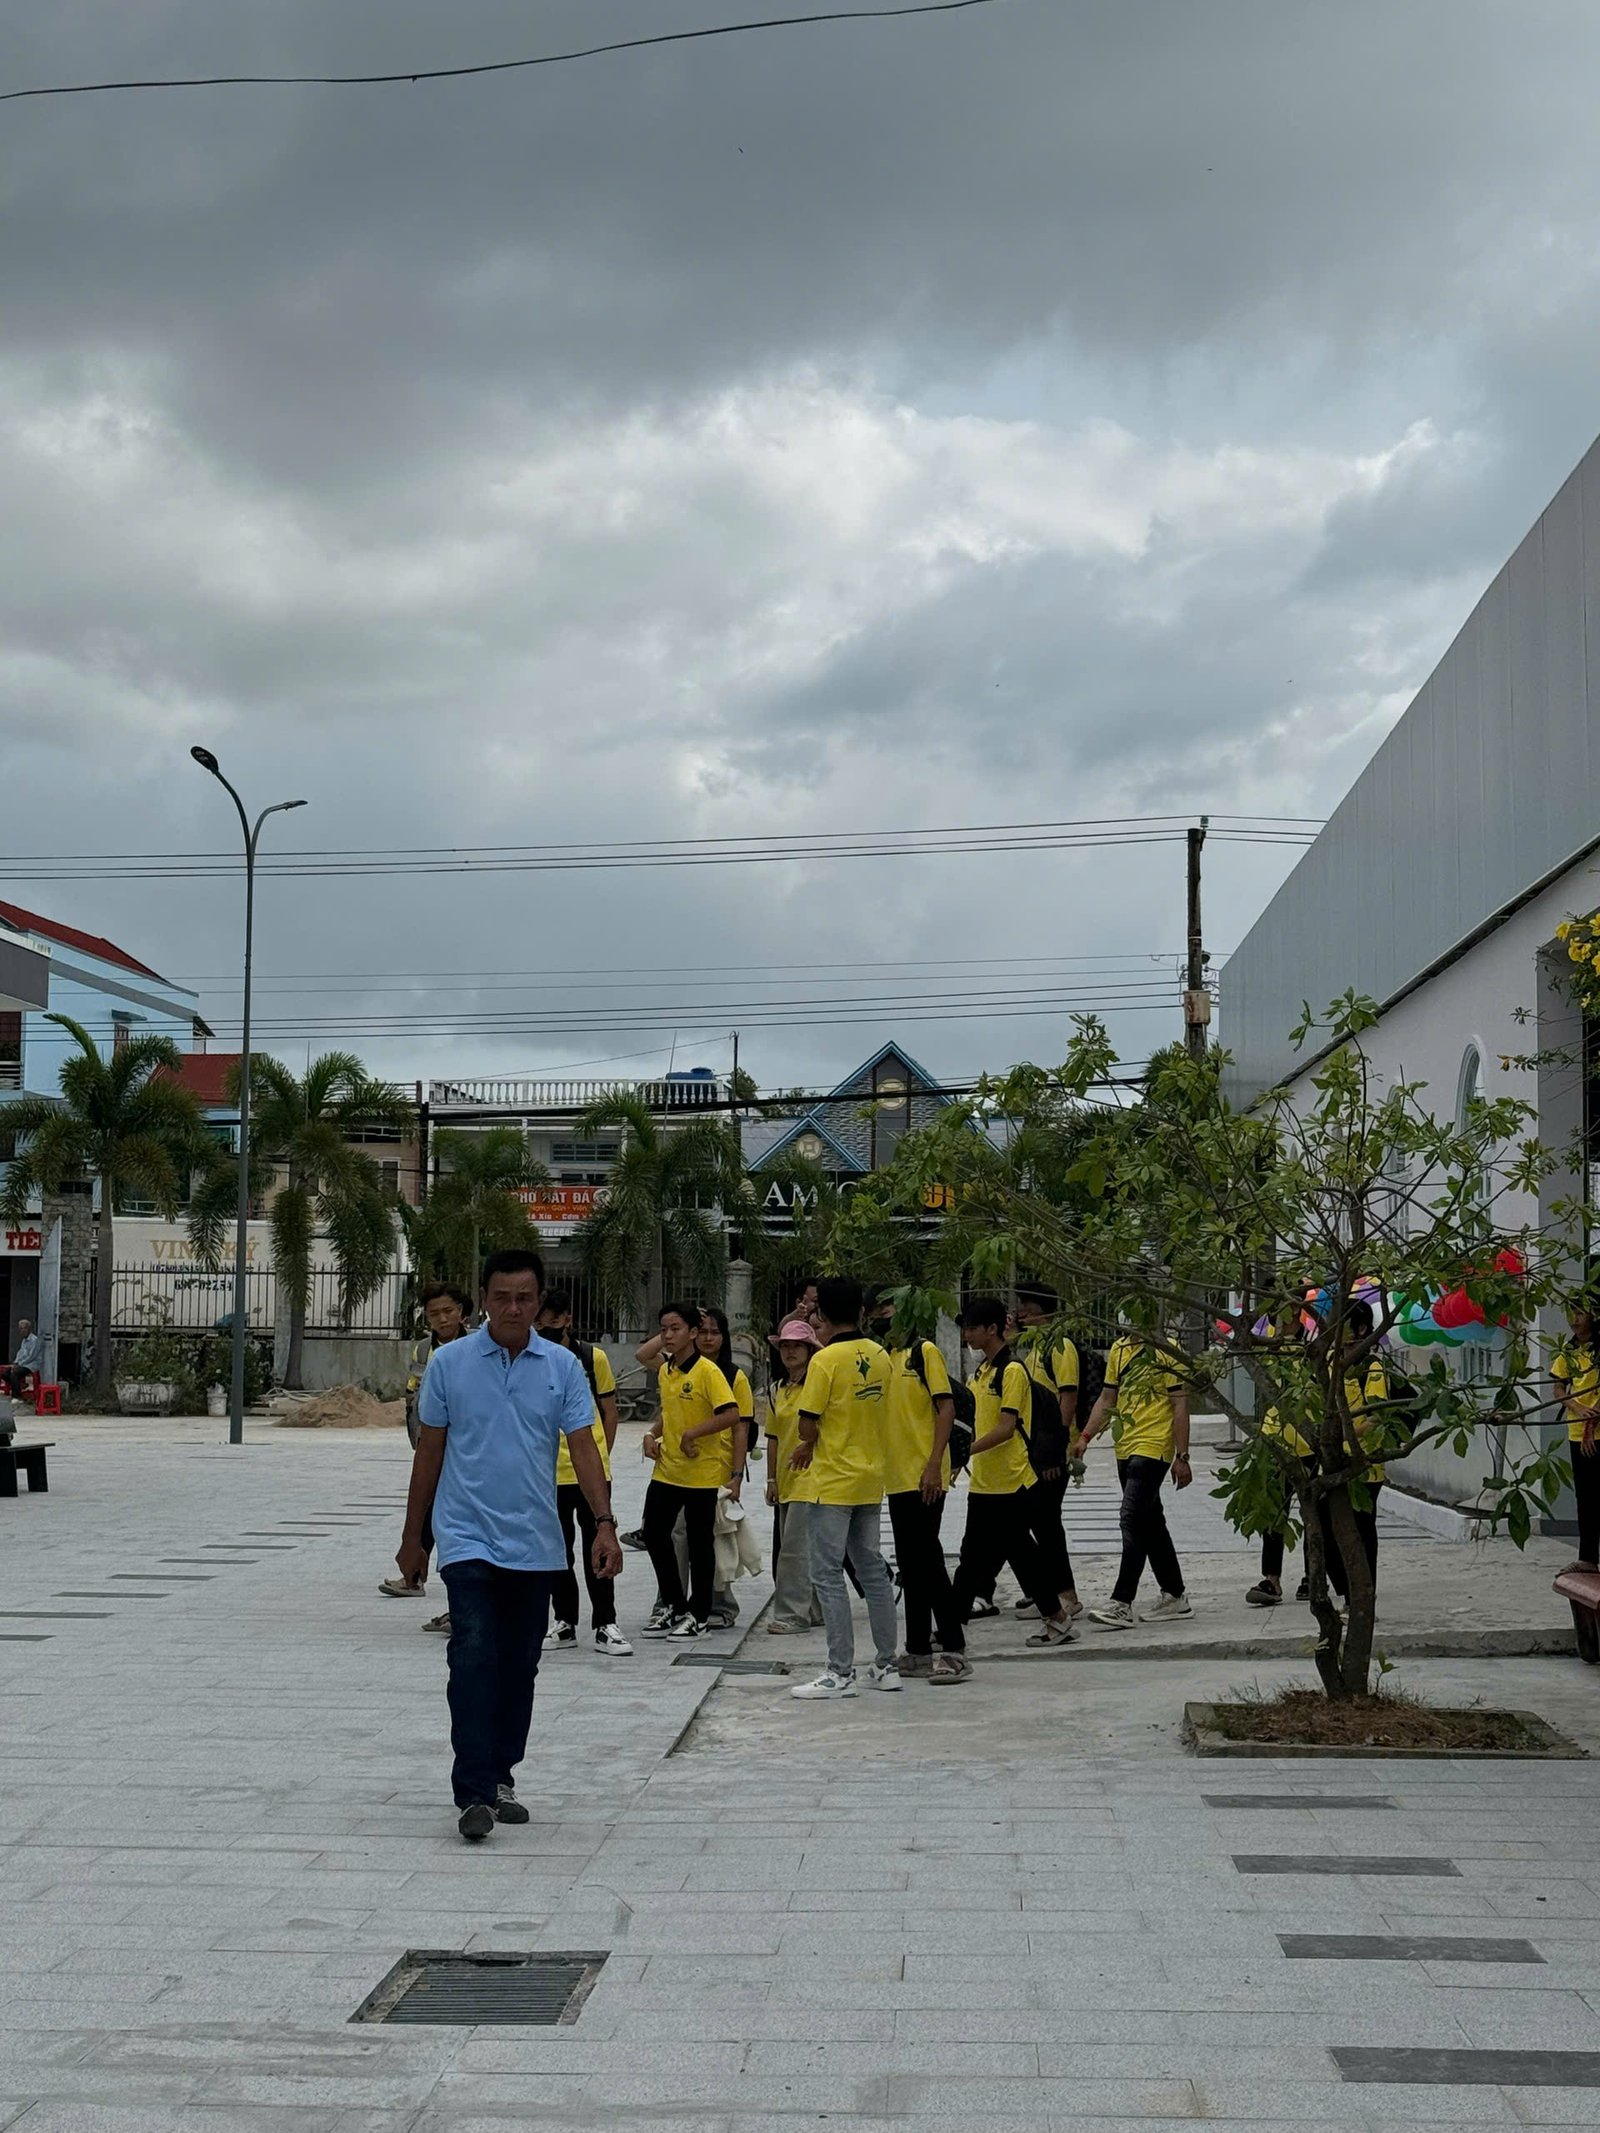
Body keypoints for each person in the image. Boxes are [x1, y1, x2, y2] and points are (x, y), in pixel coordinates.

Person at [394, 1247, 621, 1842]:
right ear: (484, 1300)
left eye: (524, 1298)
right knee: (472, 1653)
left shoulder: (562, 1367)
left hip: (535, 1541)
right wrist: (414, 1539)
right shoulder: (450, 1364)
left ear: (539, 1302)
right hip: (465, 1535)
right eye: (502, 1297)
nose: (513, 1308)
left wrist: (604, 1523)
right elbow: (429, 1452)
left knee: (520, 1666)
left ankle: (500, 1777)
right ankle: (473, 1790)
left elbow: (584, 1447)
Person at [788, 1275, 901, 1699]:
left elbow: (807, 1423)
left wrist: (808, 1441)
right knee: (872, 1571)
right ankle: (886, 1665)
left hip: (833, 1481)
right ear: (861, 1310)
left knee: (827, 1574)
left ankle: (839, 1671)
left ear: (821, 1313)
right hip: (870, 1478)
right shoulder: (880, 1354)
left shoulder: (825, 1360)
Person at [952, 1298, 1080, 1648]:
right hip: (985, 1482)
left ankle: (1057, 1619)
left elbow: (1006, 1428)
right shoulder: (981, 1373)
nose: (967, 1335)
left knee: (1018, 1557)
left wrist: (964, 1452)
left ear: (992, 1329)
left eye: (972, 1328)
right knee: (977, 1557)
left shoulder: (1011, 1371)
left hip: (1011, 1481)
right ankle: (952, 1630)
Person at [873, 1291, 971, 1684]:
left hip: (925, 1473)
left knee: (928, 1562)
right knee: (911, 1564)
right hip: (897, 1476)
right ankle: (916, 1649)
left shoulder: (924, 1352)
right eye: (877, 1312)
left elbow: (946, 1407)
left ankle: (954, 1647)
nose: (882, 1318)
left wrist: (934, 1464)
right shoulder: (885, 1358)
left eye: (888, 1311)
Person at [535, 1289, 632, 1656]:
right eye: (541, 1318)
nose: (547, 1324)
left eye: (554, 1317)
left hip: (589, 1472)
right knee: (558, 1550)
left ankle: (606, 1622)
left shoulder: (592, 1358)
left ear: (568, 1319)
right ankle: (564, 1621)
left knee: (601, 1544)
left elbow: (609, 1410)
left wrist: (601, 1456)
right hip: (549, 1473)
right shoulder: (532, 1359)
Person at [1076, 1329, 1193, 1627]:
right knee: (1151, 1522)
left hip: (1154, 1445)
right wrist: (1085, 1437)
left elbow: (1180, 1403)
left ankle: (1122, 1601)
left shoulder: (1167, 1348)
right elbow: (1107, 1398)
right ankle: (1175, 1594)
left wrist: (1182, 1456)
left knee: (1131, 1519)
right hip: (1125, 1444)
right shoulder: (1119, 1348)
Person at [640, 1301, 741, 1638]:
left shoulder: (708, 1372)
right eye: (663, 1329)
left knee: (699, 1544)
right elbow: (669, 1413)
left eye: (675, 1329)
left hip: (701, 1473)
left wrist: (692, 1434)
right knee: (654, 1533)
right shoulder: (667, 1371)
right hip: (668, 1470)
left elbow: (731, 1414)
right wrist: (651, 1434)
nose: (668, 1336)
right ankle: (673, 1604)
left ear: (693, 1332)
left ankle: (699, 1615)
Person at [380, 1283, 473, 1620]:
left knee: (458, 1521)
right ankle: (416, 1575)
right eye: (434, 1314)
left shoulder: (478, 1347)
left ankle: (460, 1603)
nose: (442, 1319)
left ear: (462, 1312)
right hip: (433, 1442)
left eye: (448, 1311)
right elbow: (413, 1393)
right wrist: (418, 1437)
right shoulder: (422, 1350)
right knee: (431, 1509)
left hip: (467, 1447)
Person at [1011, 1285, 1084, 1620]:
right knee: (1033, 1522)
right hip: (1035, 1449)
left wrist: (1056, 1449)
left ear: (1044, 1311)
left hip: (1052, 1452)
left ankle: (1065, 1596)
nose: (1021, 1314)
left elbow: (1068, 1398)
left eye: (1026, 1307)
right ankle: (1047, 1592)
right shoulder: (1033, 1348)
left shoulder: (1060, 1346)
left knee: (1046, 1524)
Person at [694, 1306, 756, 1627]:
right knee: (680, 1539)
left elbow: (741, 1429)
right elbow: (644, 1355)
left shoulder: (735, 1376)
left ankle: (721, 1605)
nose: (707, 1338)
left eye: (714, 1332)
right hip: (683, 1468)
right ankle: (672, 1602)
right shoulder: (679, 1369)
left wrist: (736, 1475)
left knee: (719, 1538)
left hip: (719, 1468)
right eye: (701, 1331)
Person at [765, 1317, 825, 1632]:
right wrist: (771, 1479)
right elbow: (773, 1437)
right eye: (785, 1346)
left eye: (797, 1346)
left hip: (813, 1477)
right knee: (803, 1549)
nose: (790, 1351)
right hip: (787, 1479)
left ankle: (792, 1615)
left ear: (810, 1350)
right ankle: (814, 1610)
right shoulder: (777, 1390)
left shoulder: (820, 1385)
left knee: (794, 1551)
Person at [1553, 1304, 1600, 1572]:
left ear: (1593, 1315)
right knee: (1586, 1496)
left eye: (1580, 1313)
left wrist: (1592, 1422)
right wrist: (1577, 1407)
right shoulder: (1568, 1351)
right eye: (1570, 1313)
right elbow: (1558, 1388)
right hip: (1577, 1432)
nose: (1574, 1319)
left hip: (1596, 1431)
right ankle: (1588, 1558)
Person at [2, 1319, 43, 1401]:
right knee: (5, 1374)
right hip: (23, 1363)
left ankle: (17, 1396)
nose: (22, 1330)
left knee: (14, 1373)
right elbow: (20, 1353)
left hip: (32, 1364)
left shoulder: (34, 1340)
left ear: (29, 1329)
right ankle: (20, 1386)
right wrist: (16, 1362)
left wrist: (19, 1364)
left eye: (24, 1328)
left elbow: (32, 1356)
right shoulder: (24, 1340)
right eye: (21, 1328)